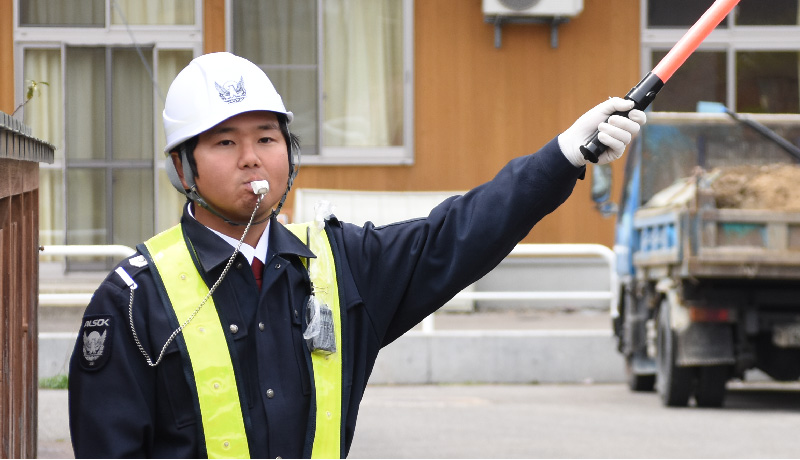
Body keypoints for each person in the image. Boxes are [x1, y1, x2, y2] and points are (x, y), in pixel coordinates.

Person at [68, 51, 646, 458]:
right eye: (225, 142)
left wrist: (566, 153)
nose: (251, 158)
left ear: (288, 154)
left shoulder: (338, 266)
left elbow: (457, 235)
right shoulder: (132, 299)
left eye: (266, 138)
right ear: (181, 167)